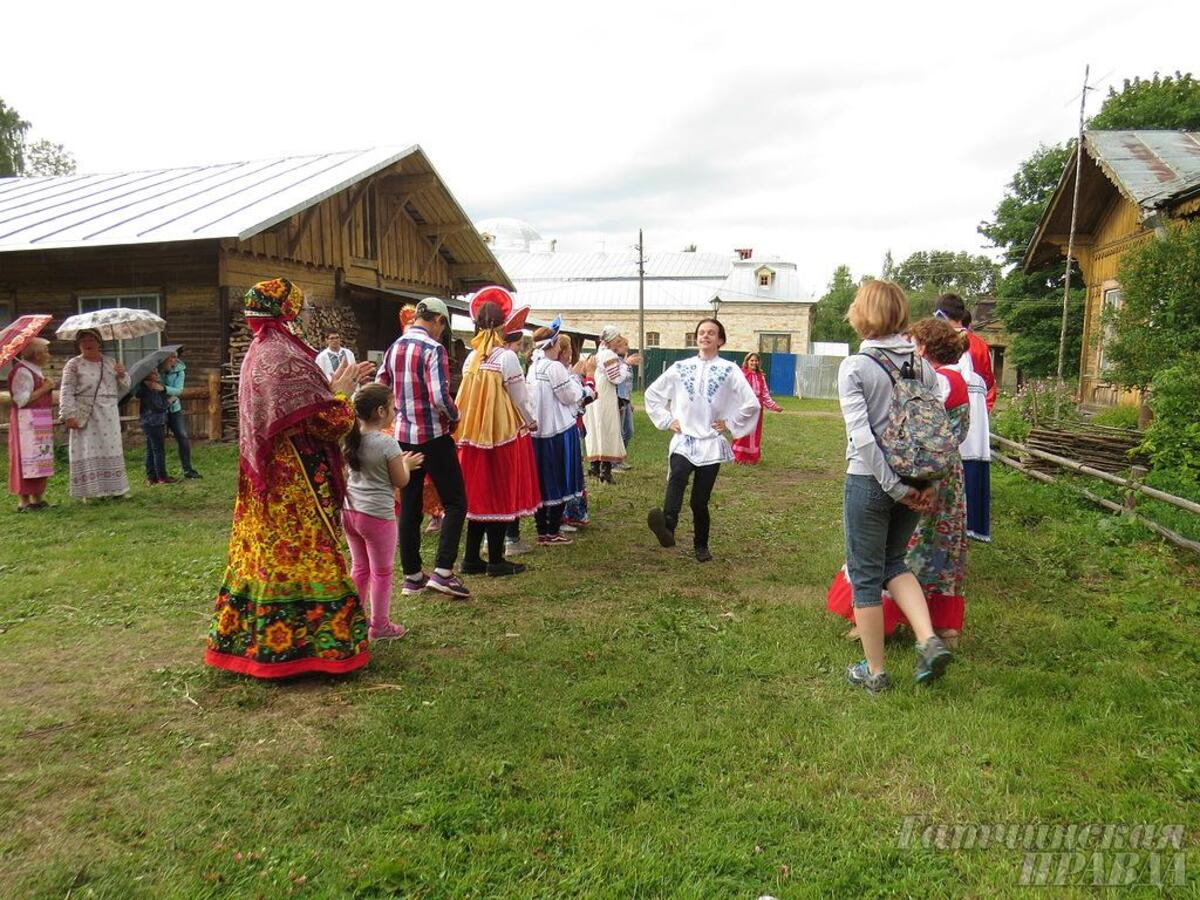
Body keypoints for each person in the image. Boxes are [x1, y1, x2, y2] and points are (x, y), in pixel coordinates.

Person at [206, 278, 374, 678]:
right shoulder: (286, 357)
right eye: (302, 311)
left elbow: (297, 408)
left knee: (262, 555)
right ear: (288, 312)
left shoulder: (258, 352)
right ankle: (314, 649)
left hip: (263, 482)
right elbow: (325, 422)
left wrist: (330, 389)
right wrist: (343, 394)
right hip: (294, 483)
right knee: (305, 554)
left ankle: (257, 644)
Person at [836, 280, 953, 693]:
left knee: (867, 575)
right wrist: (927, 485)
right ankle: (928, 639)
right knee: (894, 562)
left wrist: (892, 486)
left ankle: (875, 672)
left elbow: (862, 438)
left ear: (863, 313)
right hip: (918, 478)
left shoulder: (856, 367)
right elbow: (937, 430)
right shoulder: (923, 366)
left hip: (872, 480)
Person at [827, 317, 971, 646]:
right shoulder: (954, 379)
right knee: (939, 552)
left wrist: (898, 480)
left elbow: (898, 430)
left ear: (923, 347)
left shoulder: (931, 377)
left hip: (909, 469)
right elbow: (955, 432)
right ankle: (938, 629)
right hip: (943, 471)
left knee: (894, 552)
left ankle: (880, 628)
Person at [377, 297, 471, 598]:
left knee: (410, 503)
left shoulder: (395, 347)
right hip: (433, 436)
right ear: (439, 321)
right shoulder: (433, 349)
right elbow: (439, 396)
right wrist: (455, 416)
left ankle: (413, 576)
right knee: (456, 502)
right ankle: (443, 571)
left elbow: (381, 385)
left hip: (403, 436)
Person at [644, 318, 760, 563]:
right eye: (701, 332)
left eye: (711, 333)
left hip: (710, 442)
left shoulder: (730, 369)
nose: (705, 336)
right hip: (684, 438)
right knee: (677, 475)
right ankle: (668, 526)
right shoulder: (680, 367)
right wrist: (667, 420)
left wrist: (729, 422)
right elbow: (653, 393)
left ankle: (701, 545)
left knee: (700, 500)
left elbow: (751, 403)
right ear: (696, 338)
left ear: (720, 340)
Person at [455, 287, 542, 577]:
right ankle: (495, 560)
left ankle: (470, 558)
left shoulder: (472, 358)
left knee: (478, 493)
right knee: (500, 492)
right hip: (502, 433)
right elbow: (519, 397)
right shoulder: (506, 358)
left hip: (472, 434)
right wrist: (530, 421)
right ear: (504, 325)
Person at [343, 383, 424, 642]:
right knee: (381, 571)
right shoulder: (387, 443)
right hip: (377, 516)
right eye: (392, 407)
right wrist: (407, 464)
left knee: (359, 567)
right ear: (380, 411)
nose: (395, 410)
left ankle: (354, 621)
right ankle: (379, 626)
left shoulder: (350, 438)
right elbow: (400, 481)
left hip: (349, 512)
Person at [528, 322, 595, 546]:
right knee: (558, 477)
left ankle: (542, 530)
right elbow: (570, 396)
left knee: (542, 480)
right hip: (557, 430)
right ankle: (553, 530)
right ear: (554, 344)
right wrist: (585, 388)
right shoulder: (553, 367)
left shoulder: (534, 365)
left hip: (538, 431)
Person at [935, 294, 993, 542]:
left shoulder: (942, 340)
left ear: (941, 316)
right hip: (976, 409)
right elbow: (989, 381)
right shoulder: (980, 344)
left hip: (954, 402)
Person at [59, 329, 130, 500]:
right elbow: (66, 391)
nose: (88, 343)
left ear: (99, 342)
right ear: (79, 344)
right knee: (87, 449)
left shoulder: (110, 362)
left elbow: (126, 386)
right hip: (86, 412)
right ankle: (90, 492)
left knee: (110, 447)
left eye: (91, 339)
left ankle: (115, 490)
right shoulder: (73, 364)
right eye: (83, 340)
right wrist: (68, 414)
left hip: (109, 412)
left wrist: (122, 374)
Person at [8, 337, 55, 511]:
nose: (48, 355)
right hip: (26, 422)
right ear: (36, 355)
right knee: (26, 458)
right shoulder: (22, 371)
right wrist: (45, 388)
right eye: (46, 352)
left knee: (40, 457)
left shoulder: (34, 370)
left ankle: (37, 498)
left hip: (38, 418)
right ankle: (24, 501)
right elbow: (21, 400)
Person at [583, 325, 628, 483]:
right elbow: (615, 378)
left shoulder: (598, 354)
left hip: (596, 391)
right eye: (617, 338)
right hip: (605, 394)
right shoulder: (609, 354)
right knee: (608, 427)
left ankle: (595, 467)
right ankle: (606, 471)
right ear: (613, 339)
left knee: (596, 427)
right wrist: (626, 366)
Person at [731, 352, 783, 464]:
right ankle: (738, 457)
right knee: (742, 431)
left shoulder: (761, 377)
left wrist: (774, 406)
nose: (754, 363)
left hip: (757, 409)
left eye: (756, 361)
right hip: (744, 407)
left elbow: (765, 394)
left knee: (754, 433)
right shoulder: (741, 375)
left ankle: (751, 458)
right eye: (752, 360)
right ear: (747, 362)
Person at [160, 349, 201, 479]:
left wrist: (163, 389)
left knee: (183, 437)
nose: (174, 360)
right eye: (171, 357)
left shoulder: (180, 371)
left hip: (174, 409)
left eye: (175, 357)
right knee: (158, 442)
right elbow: (151, 387)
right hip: (159, 409)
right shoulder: (157, 370)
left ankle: (187, 469)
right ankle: (160, 473)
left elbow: (178, 390)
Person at [134, 369, 177, 485]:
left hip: (148, 422)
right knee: (158, 450)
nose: (158, 374)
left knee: (151, 449)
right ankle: (162, 477)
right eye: (154, 373)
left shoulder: (151, 389)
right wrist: (170, 401)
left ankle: (151, 476)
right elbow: (159, 406)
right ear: (147, 377)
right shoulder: (149, 391)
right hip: (154, 422)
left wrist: (161, 391)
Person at [612, 336, 639, 469]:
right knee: (619, 431)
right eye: (624, 344)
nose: (627, 347)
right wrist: (619, 402)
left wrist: (630, 401)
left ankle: (620, 458)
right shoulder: (615, 361)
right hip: (619, 400)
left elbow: (628, 384)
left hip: (626, 400)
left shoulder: (625, 362)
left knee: (629, 431)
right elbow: (616, 381)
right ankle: (614, 462)